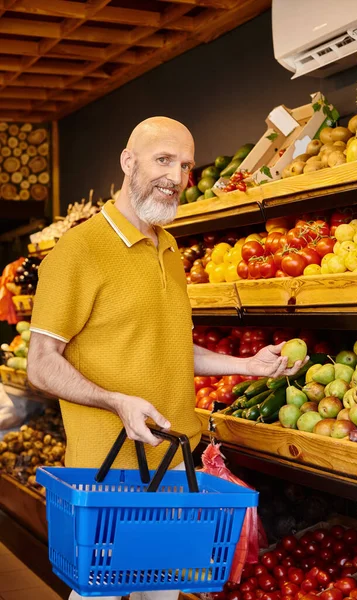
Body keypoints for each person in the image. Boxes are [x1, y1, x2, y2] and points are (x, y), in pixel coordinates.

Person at [28, 117, 307, 600]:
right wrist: (116, 401)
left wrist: (248, 365)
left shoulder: (170, 247)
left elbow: (171, 346)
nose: (176, 178)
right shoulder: (78, 250)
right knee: (101, 592)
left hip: (175, 465)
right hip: (106, 474)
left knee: (161, 594)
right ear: (127, 161)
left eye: (185, 166)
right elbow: (40, 362)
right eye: (163, 160)